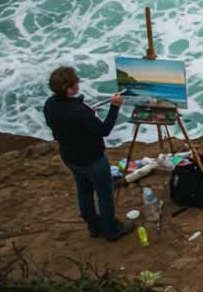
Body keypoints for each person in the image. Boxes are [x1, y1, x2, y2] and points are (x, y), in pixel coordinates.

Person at [42, 66, 134, 241]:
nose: (78, 82)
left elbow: (65, 122)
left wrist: (84, 112)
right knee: (104, 193)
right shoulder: (78, 112)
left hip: (70, 157)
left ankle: (94, 226)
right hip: (92, 159)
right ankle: (111, 230)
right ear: (69, 88)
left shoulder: (50, 105)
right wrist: (115, 107)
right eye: (75, 81)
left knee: (84, 190)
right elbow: (104, 130)